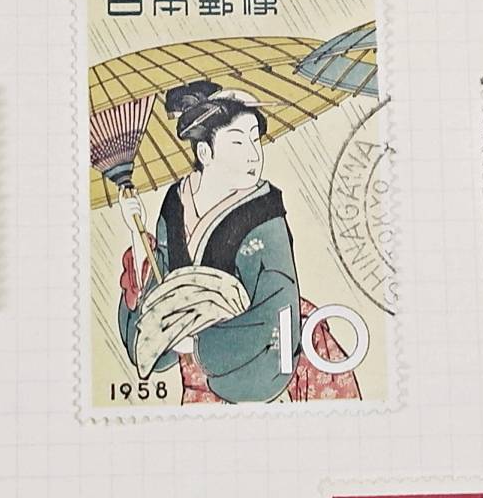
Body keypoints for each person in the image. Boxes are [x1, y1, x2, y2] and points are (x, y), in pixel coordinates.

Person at [116, 80, 353, 404]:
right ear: (205, 152)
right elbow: (162, 288)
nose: (253, 155)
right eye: (238, 142)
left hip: (263, 358)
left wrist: (198, 343)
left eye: (255, 140)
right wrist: (136, 232)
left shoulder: (265, 212)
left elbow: (277, 303)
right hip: (197, 371)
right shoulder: (175, 202)